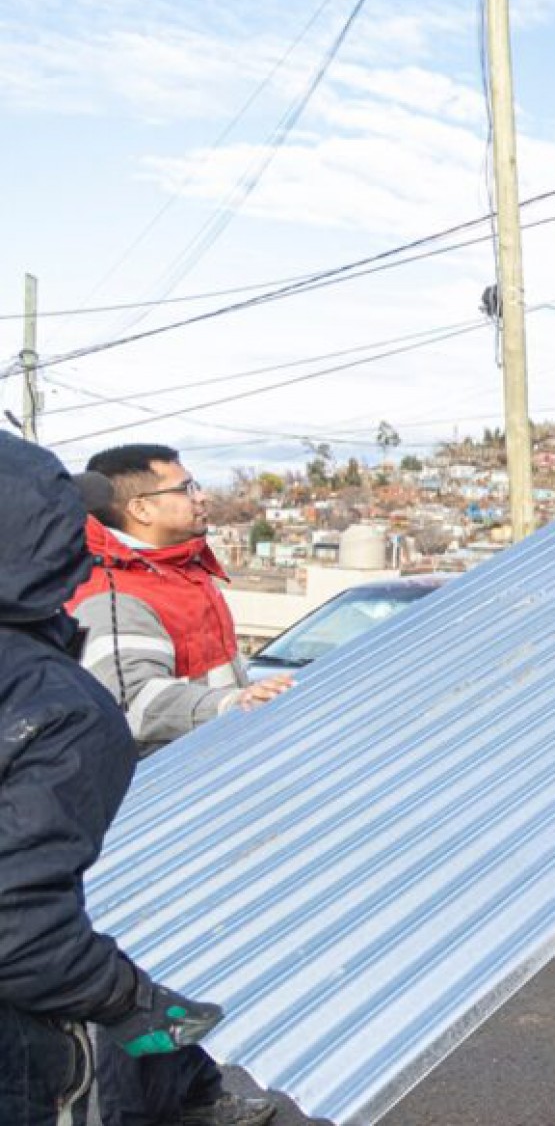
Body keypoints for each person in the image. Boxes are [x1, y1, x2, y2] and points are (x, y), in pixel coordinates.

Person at [0, 433, 225, 1126]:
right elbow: (18, 926)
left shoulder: (194, 575)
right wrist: (128, 1001)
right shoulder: (63, 699)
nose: (199, 497)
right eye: (183, 488)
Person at [65, 444, 281, 1126]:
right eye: (185, 487)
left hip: (203, 800)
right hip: (151, 817)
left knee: (181, 965)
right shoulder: (117, 590)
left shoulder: (180, 575)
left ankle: (193, 1087)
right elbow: (129, 704)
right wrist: (229, 708)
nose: (200, 497)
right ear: (139, 507)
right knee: (147, 965)